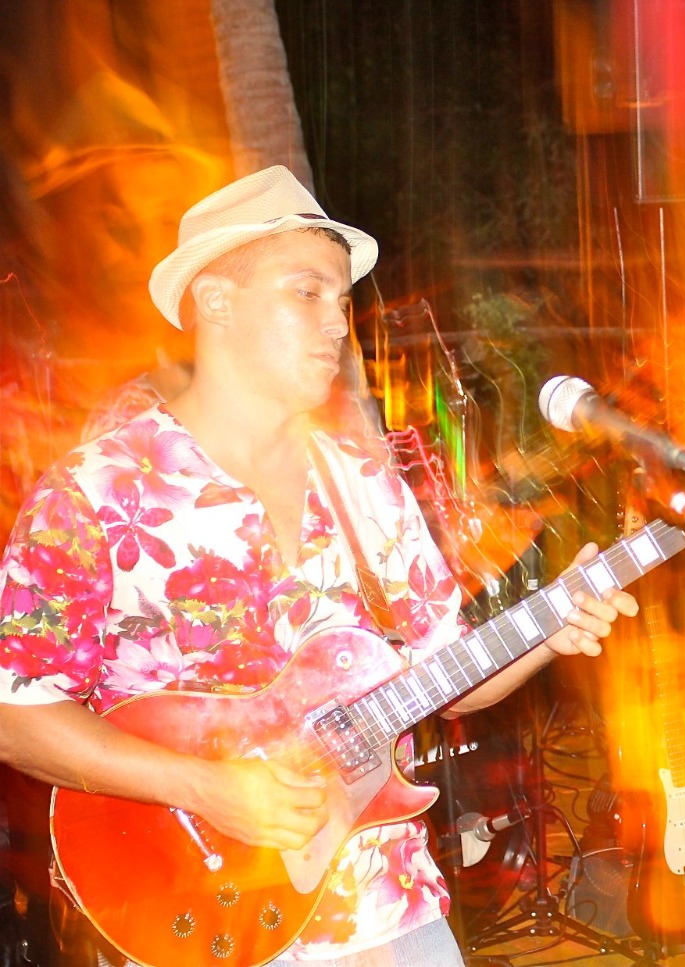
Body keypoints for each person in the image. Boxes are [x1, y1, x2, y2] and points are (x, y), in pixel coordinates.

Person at [0, 165, 638, 965]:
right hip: (197, 925)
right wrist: (208, 789)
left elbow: (443, 671)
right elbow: (18, 716)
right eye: (306, 293)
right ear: (217, 301)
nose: (337, 322)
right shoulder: (94, 492)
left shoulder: (364, 483)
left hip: (389, 909)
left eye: (341, 300)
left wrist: (554, 624)